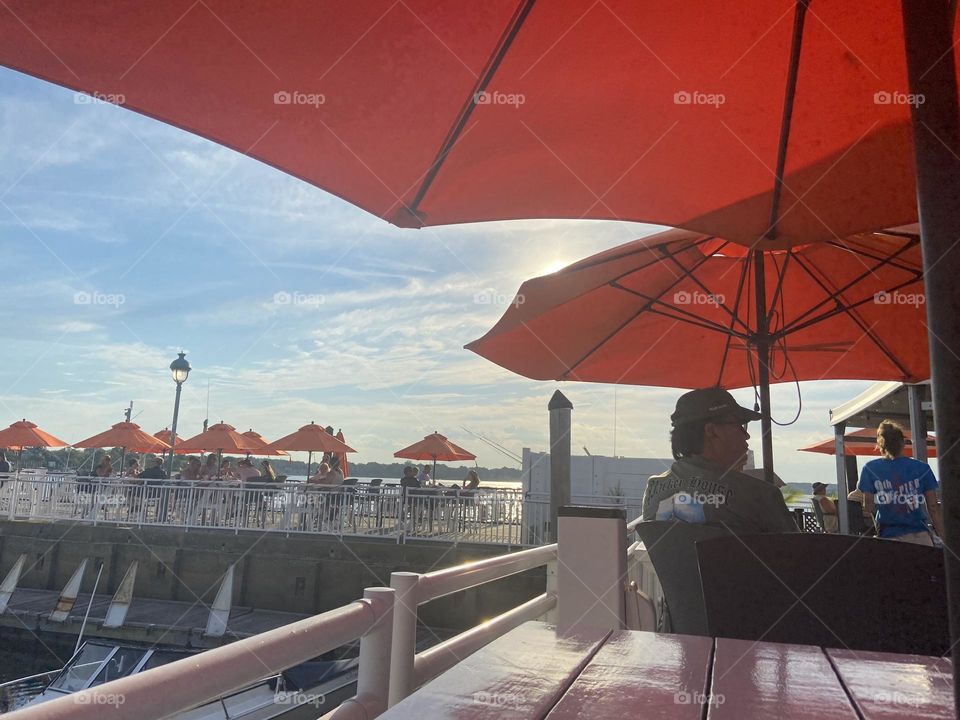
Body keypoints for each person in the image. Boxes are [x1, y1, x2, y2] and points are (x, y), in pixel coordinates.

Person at [641, 387, 797, 534]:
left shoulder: (654, 489)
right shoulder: (761, 495)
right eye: (740, 425)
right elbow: (802, 557)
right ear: (712, 431)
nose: (746, 435)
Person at [858, 420, 944, 545]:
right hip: (919, 536)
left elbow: (868, 507)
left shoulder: (870, 469)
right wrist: (944, 537)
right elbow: (933, 507)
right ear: (903, 443)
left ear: (881, 445)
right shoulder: (922, 468)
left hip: (888, 536)